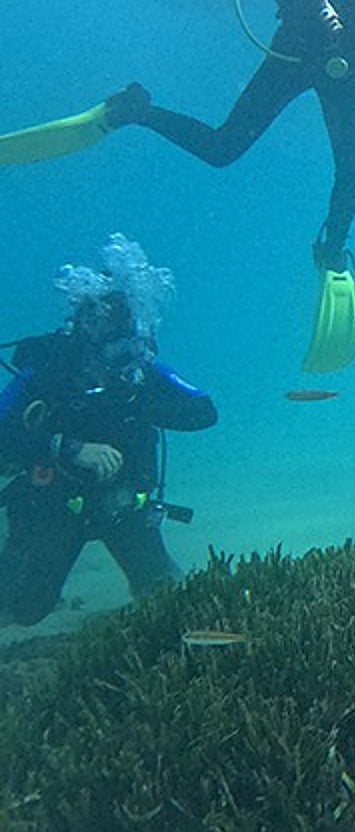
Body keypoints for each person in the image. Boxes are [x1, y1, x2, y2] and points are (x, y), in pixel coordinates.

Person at [0, 0, 355, 373]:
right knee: (223, 149)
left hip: (346, 68)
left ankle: (332, 252)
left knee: (352, 171)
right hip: (301, 50)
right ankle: (132, 111)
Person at [0, 235, 217, 627]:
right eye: (98, 320)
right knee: (23, 608)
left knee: (166, 595)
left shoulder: (140, 373)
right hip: (51, 509)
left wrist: (136, 398)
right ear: (80, 325)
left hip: (124, 508)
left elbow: (203, 411)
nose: (110, 333)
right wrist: (66, 447)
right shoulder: (45, 373)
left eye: (120, 321)